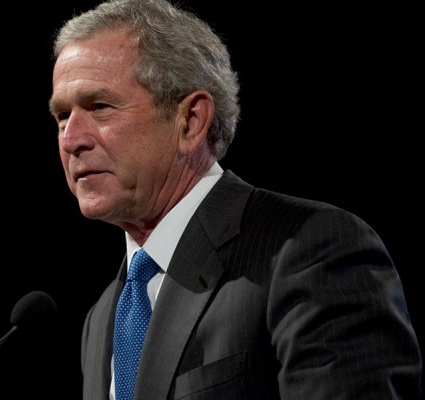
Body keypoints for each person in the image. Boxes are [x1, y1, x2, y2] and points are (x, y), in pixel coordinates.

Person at [47, 0, 423, 399]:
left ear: (190, 122)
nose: (71, 140)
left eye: (99, 107)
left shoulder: (307, 250)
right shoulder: (104, 314)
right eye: (61, 117)